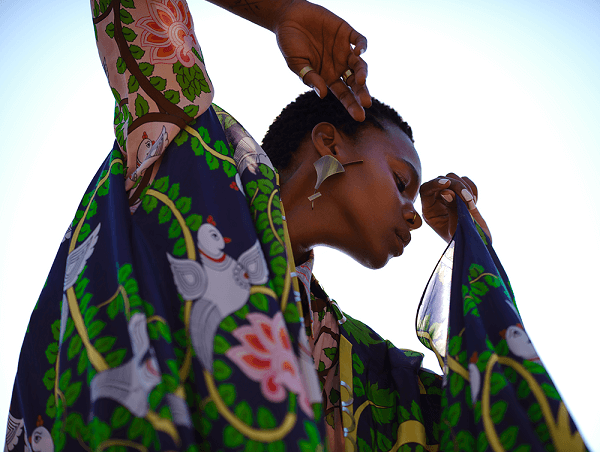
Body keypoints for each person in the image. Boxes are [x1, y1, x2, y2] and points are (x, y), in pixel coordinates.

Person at [3, 0, 587, 451]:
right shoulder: (186, 150)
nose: (411, 210)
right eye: (401, 181)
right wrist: (279, 10)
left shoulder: (358, 357)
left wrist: (472, 248)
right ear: (330, 142)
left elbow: (478, 416)